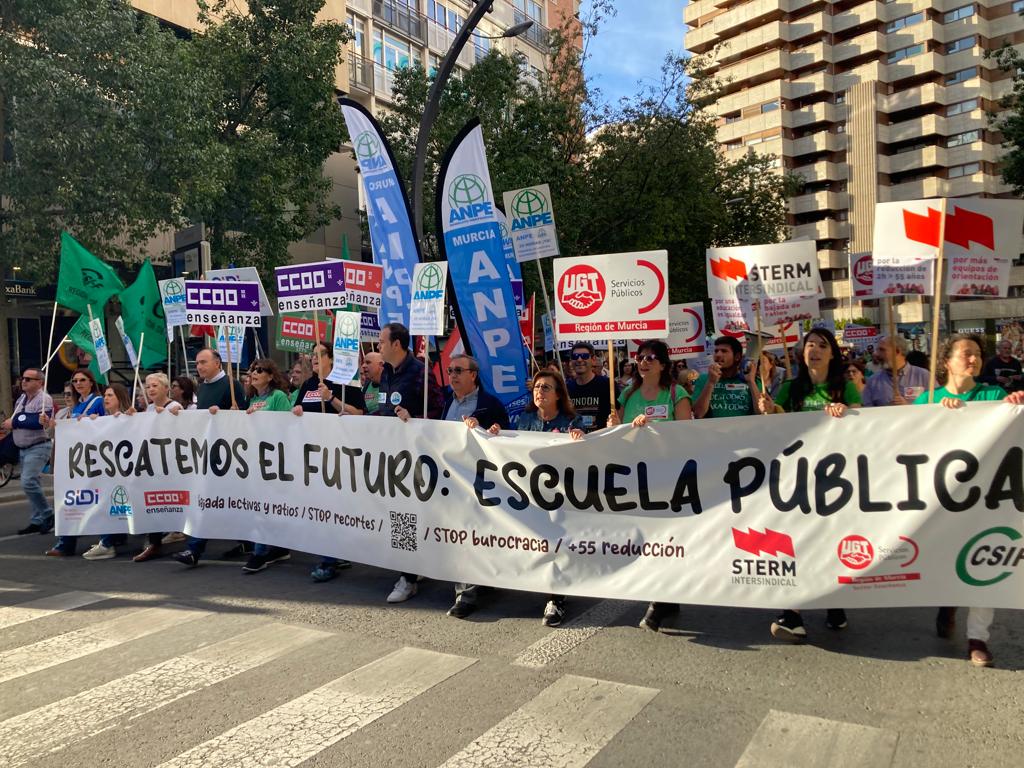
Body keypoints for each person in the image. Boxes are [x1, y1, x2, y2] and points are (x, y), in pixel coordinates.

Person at [913, 334, 1024, 666]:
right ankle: (948, 603)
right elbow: (908, 440)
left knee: (983, 561)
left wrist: (1016, 404)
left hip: (986, 498)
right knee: (947, 558)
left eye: (977, 354)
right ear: (947, 361)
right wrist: (937, 414)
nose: (973, 359)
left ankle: (978, 638)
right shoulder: (927, 400)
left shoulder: (993, 395)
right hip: (941, 499)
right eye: (966, 354)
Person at [756, 328, 860, 643]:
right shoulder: (790, 388)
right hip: (796, 479)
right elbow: (778, 423)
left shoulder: (846, 389)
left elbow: (866, 425)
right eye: (809, 344)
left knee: (827, 543)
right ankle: (793, 613)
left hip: (834, 481)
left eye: (822, 345)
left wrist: (848, 413)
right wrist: (769, 409)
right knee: (796, 542)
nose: (814, 349)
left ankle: (833, 599)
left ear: (832, 354)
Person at [487, 370, 583, 627]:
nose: (540, 391)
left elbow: (587, 456)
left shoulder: (573, 421)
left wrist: (580, 440)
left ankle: (556, 598)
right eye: (537, 387)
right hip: (531, 493)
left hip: (562, 496)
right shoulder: (525, 419)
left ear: (559, 394)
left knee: (558, 543)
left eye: (546, 388)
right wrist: (497, 435)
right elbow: (513, 449)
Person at [607, 340, 691, 632]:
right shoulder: (627, 394)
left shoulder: (676, 394)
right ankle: (667, 594)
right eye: (640, 357)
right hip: (635, 476)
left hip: (667, 476)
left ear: (664, 364)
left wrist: (652, 430)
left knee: (664, 539)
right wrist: (615, 425)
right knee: (645, 539)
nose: (643, 362)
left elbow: (685, 436)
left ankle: (658, 600)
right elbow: (617, 436)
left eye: (651, 357)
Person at [377, 322, 442, 603]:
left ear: (397, 344)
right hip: (389, 455)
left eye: (381, 342)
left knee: (407, 514)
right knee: (398, 513)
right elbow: (382, 409)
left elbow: (438, 411)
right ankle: (413, 567)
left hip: (415, 458)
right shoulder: (386, 373)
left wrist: (413, 418)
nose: (378, 347)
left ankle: (408, 577)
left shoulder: (420, 373)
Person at [441, 355, 510, 619]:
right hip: (449, 481)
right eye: (450, 370)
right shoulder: (448, 400)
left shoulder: (490, 404)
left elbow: (507, 437)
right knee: (459, 536)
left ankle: (466, 594)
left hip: (479, 481)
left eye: (458, 370)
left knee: (469, 534)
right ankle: (471, 586)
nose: (453, 375)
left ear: (473, 375)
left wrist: (492, 431)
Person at [293, 341, 367, 583]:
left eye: (319, 355)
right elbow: (298, 411)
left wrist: (332, 398)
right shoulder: (308, 384)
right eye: (311, 355)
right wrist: (296, 413)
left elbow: (359, 414)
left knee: (333, 506)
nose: (313, 359)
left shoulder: (346, 382)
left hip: (340, 455)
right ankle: (335, 554)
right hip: (313, 456)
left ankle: (328, 561)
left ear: (331, 359)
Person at [171, 349, 249, 568]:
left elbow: (244, 419)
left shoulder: (232, 386)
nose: (199, 367)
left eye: (203, 362)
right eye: (197, 363)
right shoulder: (203, 387)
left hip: (229, 455)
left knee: (229, 500)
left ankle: (200, 547)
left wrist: (230, 412)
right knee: (205, 500)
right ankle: (195, 549)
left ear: (217, 363)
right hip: (208, 453)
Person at [240, 359, 294, 573]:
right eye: (252, 370)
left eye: (259, 370)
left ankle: (259, 553)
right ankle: (279, 548)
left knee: (265, 506)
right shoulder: (252, 398)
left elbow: (286, 426)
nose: (254, 373)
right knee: (263, 506)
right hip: (257, 458)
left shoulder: (278, 397)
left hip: (275, 460)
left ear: (271, 376)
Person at [40, 371, 104, 554]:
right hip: (77, 460)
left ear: (91, 382)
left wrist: (94, 421)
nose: (78, 383)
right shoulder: (77, 405)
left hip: (94, 459)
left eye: (82, 380)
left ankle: (109, 539)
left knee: (97, 499)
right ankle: (66, 542)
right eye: (75, 381)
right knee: (71, 500)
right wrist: (51, 424)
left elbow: (108, 425)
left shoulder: (98, 402)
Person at [131, 374, 184, 563]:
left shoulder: (174, 407)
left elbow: (182, 428)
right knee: (151, 500)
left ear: (166, 388)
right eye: (148, 386)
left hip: (172, 465)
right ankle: (154, 542)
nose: (150, 389)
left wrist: (170, 416)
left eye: (155, 385)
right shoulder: (150, 408)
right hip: (154, 464)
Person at [79, 384, 132, 560]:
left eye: (110, 395)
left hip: (125, 473)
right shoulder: (105, 419)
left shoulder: (128, 417)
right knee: (106, 505)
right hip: (108, 472)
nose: (106, 398)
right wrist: (93, 422)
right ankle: (108, 540)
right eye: (105, 395)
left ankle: (107, 543)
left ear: (120, 398)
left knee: (112, 505)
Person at [4, 369, 54, 536]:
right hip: (23, 448)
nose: (23, 381)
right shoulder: (21, 399)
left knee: (28, 481)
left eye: (28, 379)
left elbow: (36, 422)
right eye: (22, 378)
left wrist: (14, 421)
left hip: (38, 446)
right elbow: (23, 419)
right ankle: (37, 520)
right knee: (33, 483)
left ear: (39, 382)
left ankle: (47, 514)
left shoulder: (44, 399)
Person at [692, 337, 759, 419]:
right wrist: (710, 383)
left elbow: (761, 412)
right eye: (716, 351)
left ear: (737, 356)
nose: (718, 355)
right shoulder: (703, 379)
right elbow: (698, 414)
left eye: (724, 351)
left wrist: (751, 382)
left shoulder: (750, 379)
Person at [861, 335, 929, 407]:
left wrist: (909, 406)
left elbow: (937, 406)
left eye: (882, 350)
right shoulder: (873, 382)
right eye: (877, 350)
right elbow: (868, 412)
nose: (876, 354)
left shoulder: (924, 376)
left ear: (897, 351)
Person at [566, 342, 615, 433]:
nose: (579, 359)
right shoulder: (567, 388)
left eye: (584, 356)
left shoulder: (607, 384)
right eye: (575, 356)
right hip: (575, 442)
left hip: (601, 441)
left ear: (593, 360)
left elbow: (618, 414)